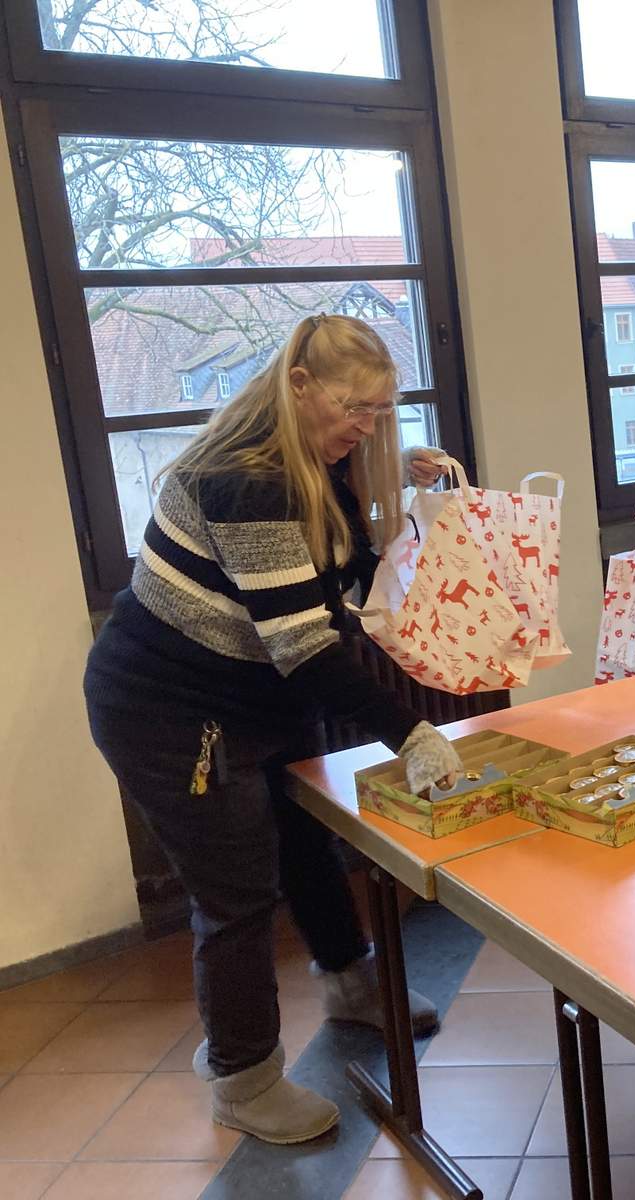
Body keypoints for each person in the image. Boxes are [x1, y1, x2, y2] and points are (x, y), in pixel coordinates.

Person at [83, 314, 465, 1146]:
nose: (366, 427)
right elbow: (305, 644)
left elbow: (336, 579)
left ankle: (350, 983)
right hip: (171, 710)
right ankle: (243, 1077)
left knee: (305, 840)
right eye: (354, 409)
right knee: (236, 893)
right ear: (299, 386)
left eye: (380, 412)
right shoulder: (246, 480)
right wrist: (412, 734)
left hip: (254, 693)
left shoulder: (313, 463)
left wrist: (395, 477)